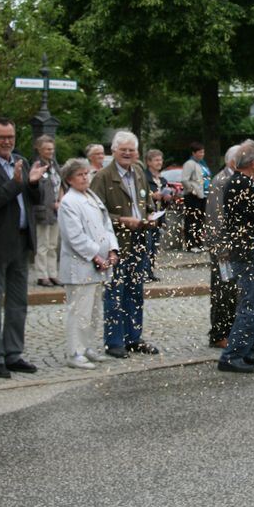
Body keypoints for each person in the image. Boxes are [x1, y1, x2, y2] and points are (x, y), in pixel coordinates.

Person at [0, 118, 44, 379]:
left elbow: (34, 200)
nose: (7, 142)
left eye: (10, 137)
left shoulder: (20, 160)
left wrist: (33, 183)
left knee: (18, 303)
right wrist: (15, 184)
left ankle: (13, 353)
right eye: (1, 137)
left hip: (21, 241)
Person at [91, 131, 160, 358]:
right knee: (115, 293)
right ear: (114, 152)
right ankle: (114, 341)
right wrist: (122, 221)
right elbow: (94, 214)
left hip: (140, 240)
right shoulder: (103, 176)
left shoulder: (139, 172)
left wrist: (150, 215)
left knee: (136, 291)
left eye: (131, 150)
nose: (128, 154)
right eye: (123, 150)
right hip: (116, 244)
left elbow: (147, 202)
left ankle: (134, 337)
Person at [217, 140, 254, 373]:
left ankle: (248, 350)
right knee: (251, 303)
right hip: (249, 249)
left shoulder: (236, 182)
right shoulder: (244, 185)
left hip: (244, 248)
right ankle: (233, 354)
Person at [58, 159, 119, 369]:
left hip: (99, 263)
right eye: (80, 175)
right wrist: (96, 256)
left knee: (94, 309)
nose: (85, 178)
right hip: (80, 264)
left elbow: (106, 225)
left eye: (87, 173)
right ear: (69, 179)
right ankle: (74, 351)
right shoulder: (68, 202)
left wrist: (112, 249)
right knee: (79, 310)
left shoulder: (92, 197)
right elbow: (75, 237)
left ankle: (87, 346)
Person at [204, 144, 241, 348]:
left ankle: (230, 330)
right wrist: (221, 247)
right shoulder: (221, 181)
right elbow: (215, 216)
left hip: (232, 245)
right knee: (223, 290)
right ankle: (219, 333)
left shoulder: (233, 179)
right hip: (223, 246)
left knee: (233, 290)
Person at [32, 135, 61, 287]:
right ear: (39, 149)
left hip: (56, 210)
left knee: (53, 244)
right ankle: (42, 274)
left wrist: (60, 201)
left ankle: (53, 273)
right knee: (42, 244)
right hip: (43, 210)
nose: (50, 151)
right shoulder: (37, 166)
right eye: (47, 149)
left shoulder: (54, 165)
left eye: (52, 149)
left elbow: (60, 185)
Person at [143, 148, 174, 281]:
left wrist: (168, 198)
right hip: (147, 216)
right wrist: (153, 196)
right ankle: (143, 273)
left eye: (160, 160)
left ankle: (150, 272)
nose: (159, 162)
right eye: (156, 160)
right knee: (147, 245)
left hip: (159, 216)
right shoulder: (144, 178)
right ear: (149, 162)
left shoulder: (163, 179)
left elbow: (167, 202)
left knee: (154, 246)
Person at [180, 142, 210, 252]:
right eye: (199, 152)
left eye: (203, 152)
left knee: (200, 221)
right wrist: (192, 190)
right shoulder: (189, 164)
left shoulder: (201, 164)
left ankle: (199, 243)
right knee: (191, 220)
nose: (202, 154)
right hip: (193, 196)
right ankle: (191, 244)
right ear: (194, 153)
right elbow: (184, 179)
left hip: (203, 195)